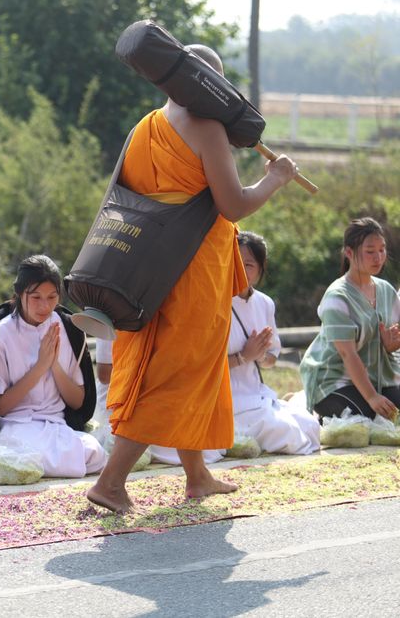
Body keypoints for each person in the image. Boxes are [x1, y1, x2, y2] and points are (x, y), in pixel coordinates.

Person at [86, 45, 298, 514]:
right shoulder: (207, 128)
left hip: (149, 269)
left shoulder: (146, 126)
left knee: (190, 369)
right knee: (175, 374)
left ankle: (197, 475)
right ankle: (111, 481)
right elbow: (234, 205)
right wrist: (276, 178)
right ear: (208, 86)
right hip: (191, 273)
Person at [0, 255, 104, 477]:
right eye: (36, 297)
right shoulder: (2, 333)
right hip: (17, 426)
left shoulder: (66, 327)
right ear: (19, 294)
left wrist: (54, 365)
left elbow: (77, 401)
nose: (45, 306)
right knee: (27, 454)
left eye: (52, 297)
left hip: (57, 426)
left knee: (95, 453)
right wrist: (39, 368)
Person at [300, 218, 400, 422]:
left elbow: (392, 340)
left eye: (382, 250)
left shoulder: (387, 291)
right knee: (367, 418)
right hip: (334, 379)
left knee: (392, 418)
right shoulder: (337, 296)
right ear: (349, 253)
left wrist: (390, 346)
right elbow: (347, 353)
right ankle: (313, 405)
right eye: (370, 251)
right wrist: (372, 397)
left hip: (378, 377)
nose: (378, 257)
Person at [228, 232, 319, 454]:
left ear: (260, 269)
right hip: (229, 401)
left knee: (312, 427)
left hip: (257, 395)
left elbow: (271, 360)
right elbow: (202, 366)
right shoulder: (214, 303)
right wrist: (243, 357)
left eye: (248, 264)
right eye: (235, 262)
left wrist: (259, 355)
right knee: (287, 433)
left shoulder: (265, 303)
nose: (241, 269)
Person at [92, 337, 225, 465]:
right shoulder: (114, 314)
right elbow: (104, 374)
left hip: (163, 393)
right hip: (122, 398)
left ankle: (198, 476)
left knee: (204, 447)